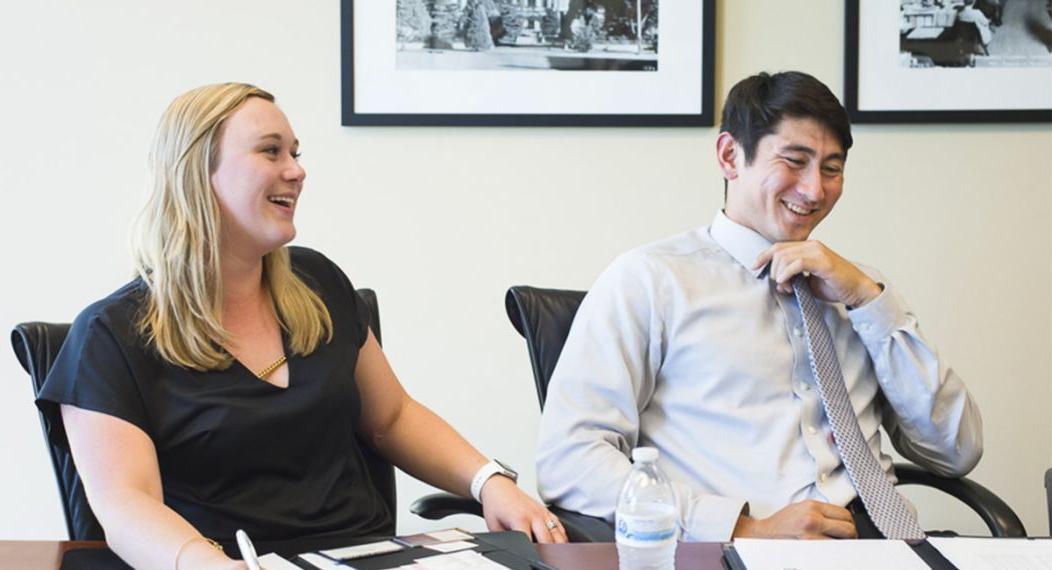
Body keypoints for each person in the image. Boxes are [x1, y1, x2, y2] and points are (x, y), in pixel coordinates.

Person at [37, 83, 567, 570]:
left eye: (295, 152)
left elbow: (393, 417)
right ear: (197, 171)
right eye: (271, 151)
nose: (296, 170)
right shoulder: (110, 336)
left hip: (368, 555)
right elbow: (126, 505)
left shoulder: (318, 284)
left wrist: (488, 482)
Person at [535, 71, 982, 541]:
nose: (814, 190)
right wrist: (743, 528)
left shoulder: (860, 289)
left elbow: (955, 451)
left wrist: (869, 300)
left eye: (832, 168)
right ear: (731, 155)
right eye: (795, 161)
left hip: (882, 547)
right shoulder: (651, 280)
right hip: (737, 551)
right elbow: (570, 458)